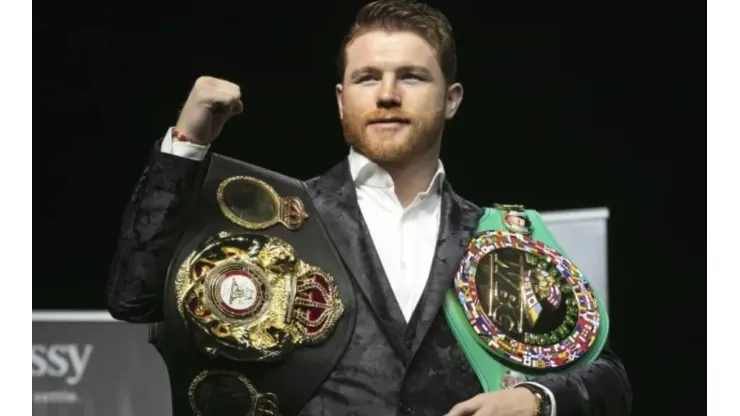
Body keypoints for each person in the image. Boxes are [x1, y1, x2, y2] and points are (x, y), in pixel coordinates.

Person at [106, 1, 632, 415]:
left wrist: (537, 401)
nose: (386, 94)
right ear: (341, 100)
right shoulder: (279, 217)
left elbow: (607, 377)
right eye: (366, 77)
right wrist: (187, 143)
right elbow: (135, 297)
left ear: (451, 98)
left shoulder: (498, 237)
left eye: (411, 76)